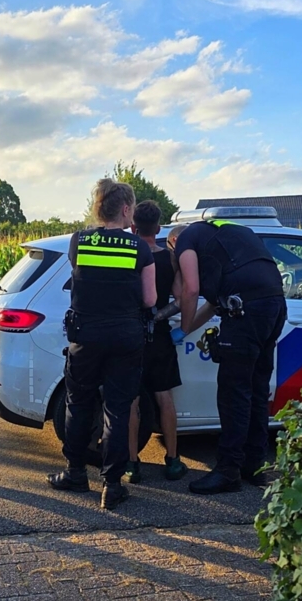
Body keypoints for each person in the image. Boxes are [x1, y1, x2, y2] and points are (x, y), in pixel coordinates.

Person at [47, 179, 157, 510]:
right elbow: (150, 299)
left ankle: (76, 473)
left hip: (86, 336)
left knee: (79, 404)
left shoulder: (79, 242)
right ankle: (111, 486)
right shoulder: (140, 248)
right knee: (118, 410)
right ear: (125, 209)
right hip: (125, 337)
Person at [167, 218, 286, 494]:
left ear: (174, 244)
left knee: (233, 393)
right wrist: (186, 331)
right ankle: (254, 466)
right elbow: (211, 304)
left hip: (246, 313)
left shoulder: (184, 239)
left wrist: (181, 327)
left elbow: (192, 289)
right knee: (256, 389)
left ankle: (228, 471)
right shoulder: (222, 235)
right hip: (273, 307)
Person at [125, 201, 187, 483]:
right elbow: (181, 297)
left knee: (132, 400)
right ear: (159, 228)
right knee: (165, 398)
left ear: (133, 227)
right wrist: (162, 316)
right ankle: (173, 461)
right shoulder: (168, 259)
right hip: (160, 334)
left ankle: (132, 464)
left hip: (132, 334)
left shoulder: (128, 256)